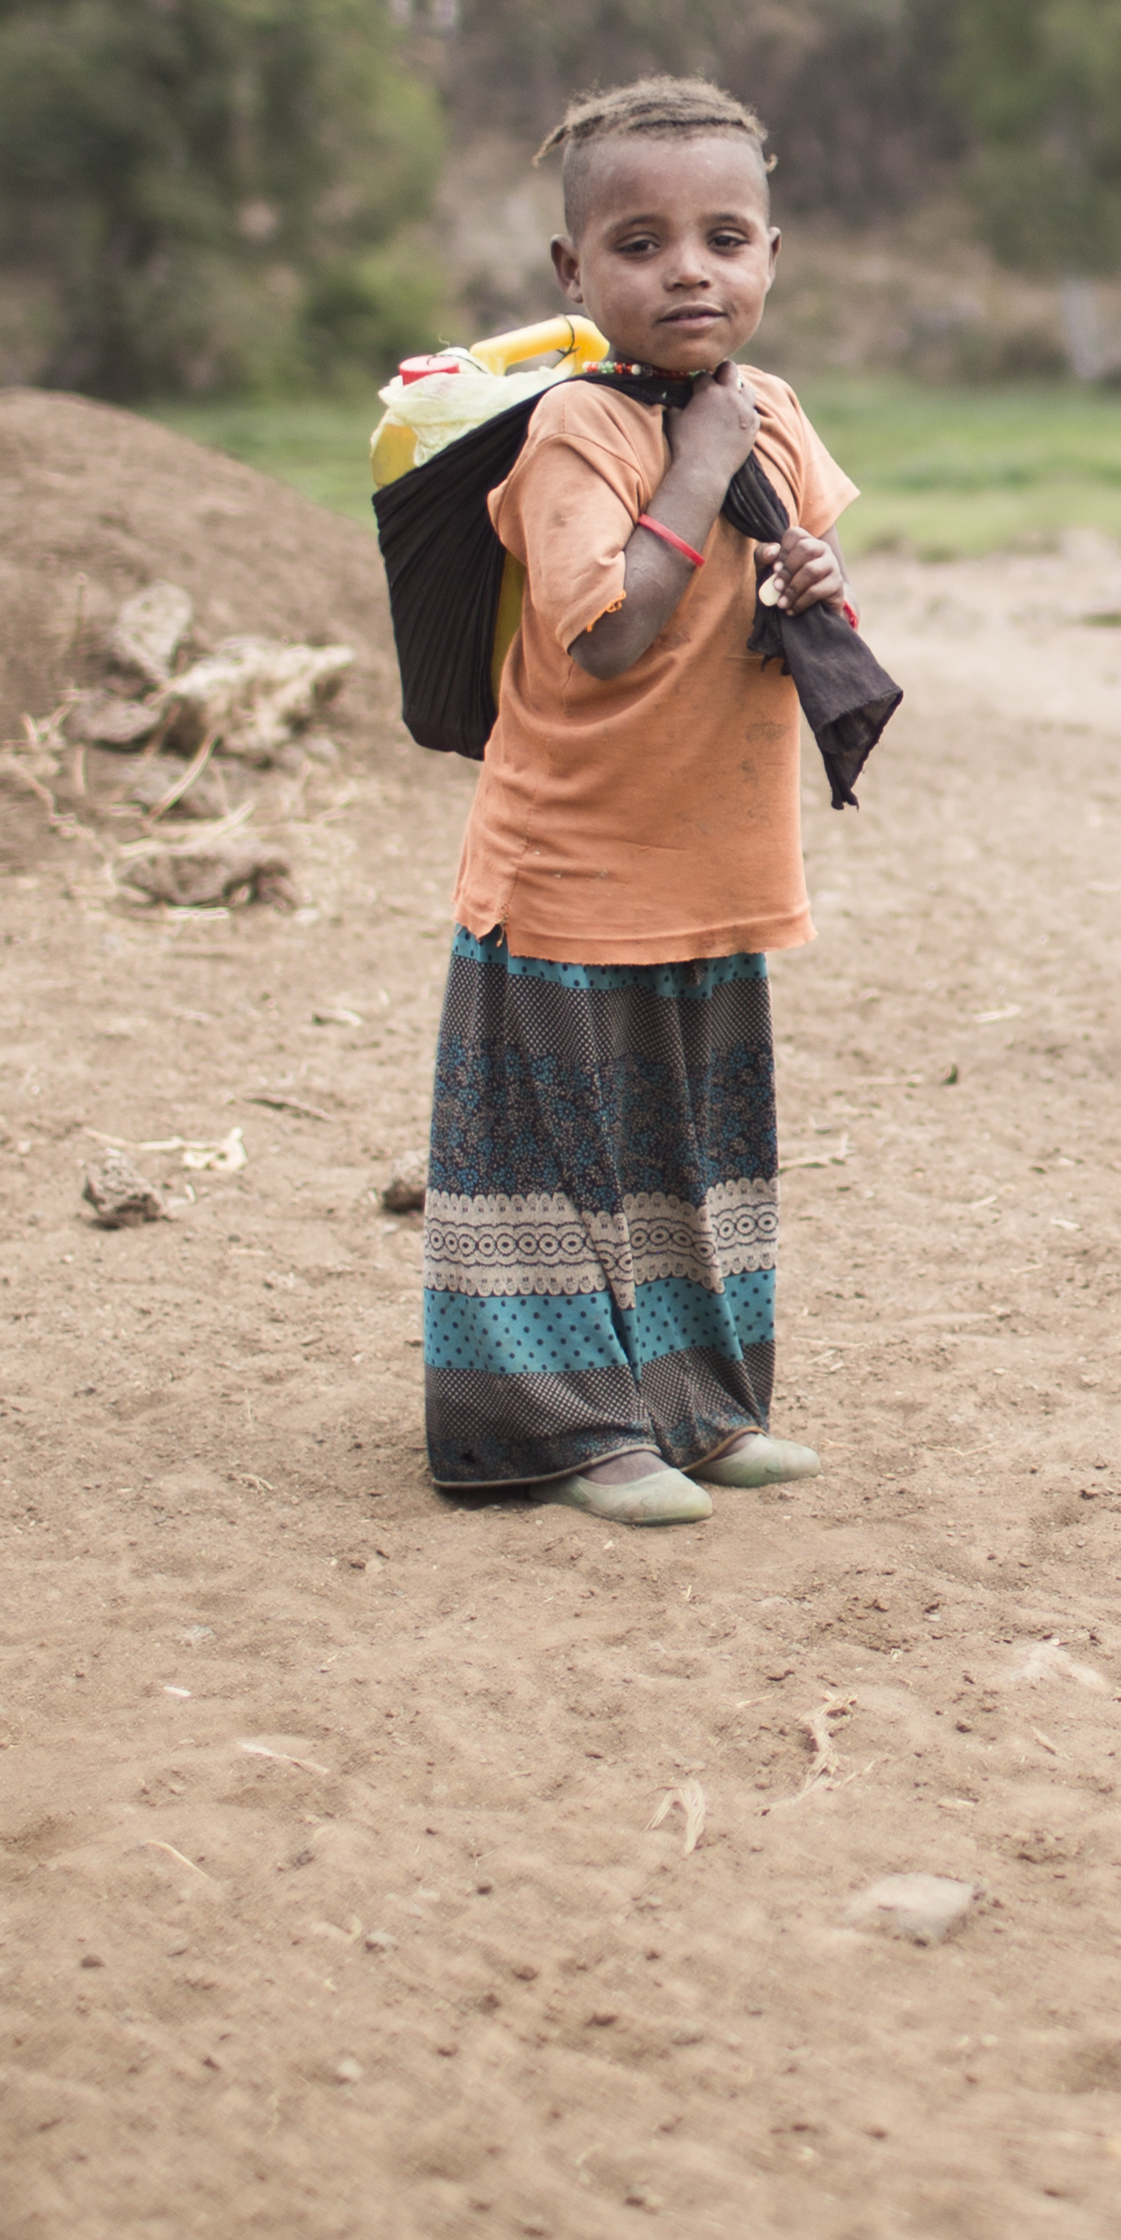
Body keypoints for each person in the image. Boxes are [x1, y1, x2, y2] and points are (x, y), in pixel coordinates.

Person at [425, 75, 858, 1526]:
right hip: (569, 869)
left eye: (723, 236)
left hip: (712, 863)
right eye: (640, 240)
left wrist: (812, 576)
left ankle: (695, 1404)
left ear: (770, 256)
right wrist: (699, 463)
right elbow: (604, 632)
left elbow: (783, 570)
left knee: (686, 1151)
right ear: (572, 270)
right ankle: (566, 1428)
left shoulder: (772, 414)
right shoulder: (581, 435)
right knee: (555, 1166)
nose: (687, 267)